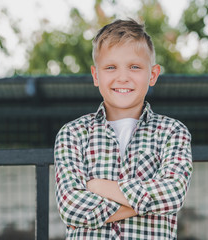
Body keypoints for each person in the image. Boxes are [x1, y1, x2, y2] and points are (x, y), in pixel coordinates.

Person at [54, 18, 193, 239]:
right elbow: (71, 208)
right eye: (111, 67)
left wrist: (98, 186)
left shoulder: (172, 132)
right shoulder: (73, 134)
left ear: (153, 74)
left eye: (134, 67)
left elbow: (173, 194)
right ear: (96, 75)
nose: (123, 77)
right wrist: (148, 203)